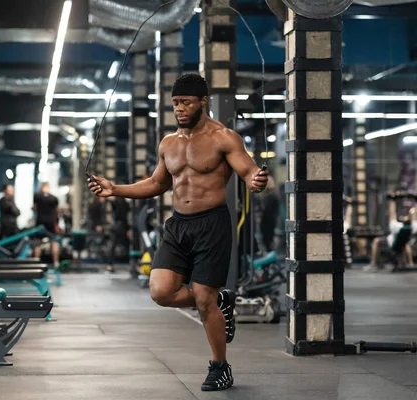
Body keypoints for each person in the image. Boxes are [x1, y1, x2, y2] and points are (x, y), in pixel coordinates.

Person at [88, 73, 269, 391]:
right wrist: (114, 188)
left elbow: (247, 169)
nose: (180, 109)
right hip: (178, 225)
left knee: (203, 301)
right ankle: (219, 301)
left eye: (186, 102)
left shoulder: (223, 138)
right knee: (160, 292)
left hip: (211, 224)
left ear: (203, 102)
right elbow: (157, 184)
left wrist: (255, 179)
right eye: (175, 103)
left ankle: (220, 366)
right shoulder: (168, 144)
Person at [33, 182, 60, 268]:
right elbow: (57, 211)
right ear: (48, 187)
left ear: (42, 187)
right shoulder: (54, 198)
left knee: (37, 243)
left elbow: (34, 208)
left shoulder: (37, 196)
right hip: (51, 222)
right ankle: (56, 263)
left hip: (40, 222)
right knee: (54, 242)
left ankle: (35, 263)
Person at [259, 176, 280, 252]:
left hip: (269, 222)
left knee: (268, 241)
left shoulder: (272, 195)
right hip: (267, 221)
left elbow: (270, 210)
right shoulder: (268, 195)